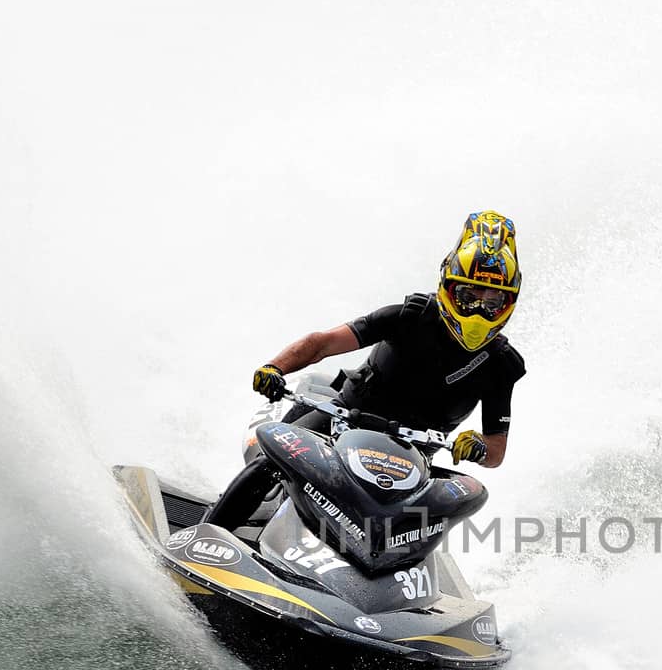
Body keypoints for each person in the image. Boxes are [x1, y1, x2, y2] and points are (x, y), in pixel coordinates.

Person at [203, 210, 526, 529]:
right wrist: (276, 367)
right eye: (469, 297)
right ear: (448, 286)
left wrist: (479, 447)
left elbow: (496, 452)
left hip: (412, 454)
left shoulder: (502, 363)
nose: (480, 310)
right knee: (269, 464)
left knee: (418, 521)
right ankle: (207, 532)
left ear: (508, 303)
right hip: (342, 418)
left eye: (493, 301)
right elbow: (322, 344)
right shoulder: (407, 316)